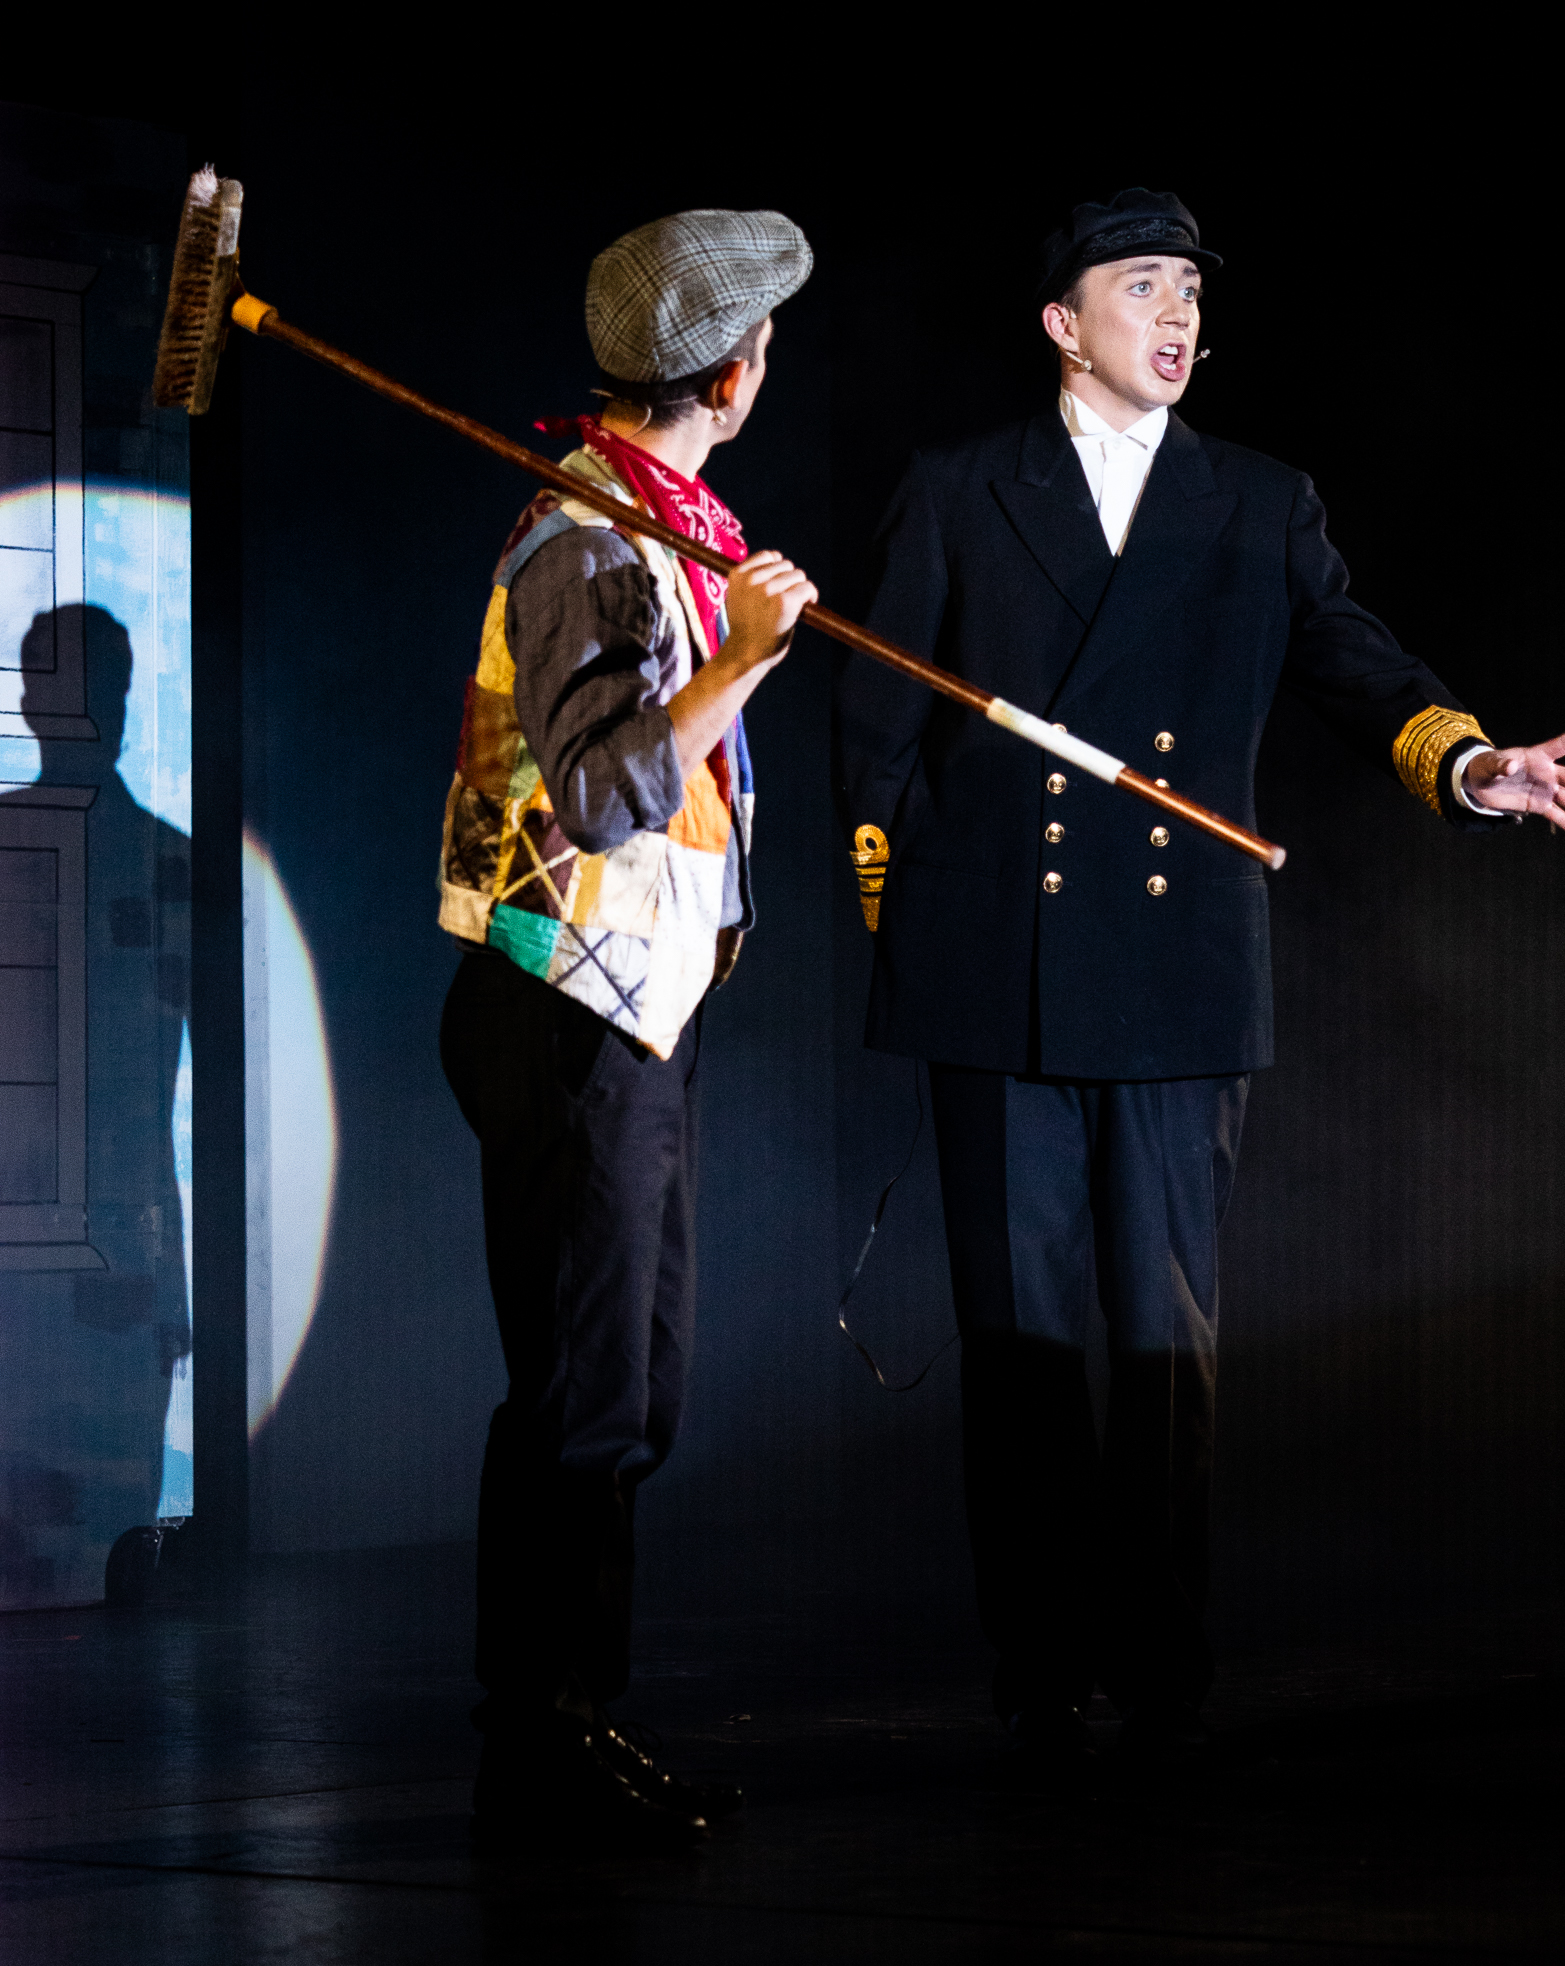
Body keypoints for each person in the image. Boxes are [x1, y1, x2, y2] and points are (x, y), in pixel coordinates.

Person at [831, 188, 1565, 1775]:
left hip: (1175, 970)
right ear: (1061, 322)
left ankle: (1162, 1667)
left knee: (1164, 1343)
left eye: (1187, 292)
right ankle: (1037, 1668)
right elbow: (873, 730)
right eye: (1140, 286)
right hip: (997, 968)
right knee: (1019, 1342)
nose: (1174, 316)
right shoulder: (958, 489)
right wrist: (904, 915)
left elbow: (1356, 663)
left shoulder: (1257, 501)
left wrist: (1466, 765)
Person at [439, 209, 817, 1847]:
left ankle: (564, 1718)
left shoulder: (656, 525)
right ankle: (546, 1733)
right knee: (586, 1393)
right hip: (564, 1011)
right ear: (730, 377)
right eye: (766, 348)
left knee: (628, 1388)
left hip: (629, 1015)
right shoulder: (582, 545)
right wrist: (746, 662)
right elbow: (600, 792)